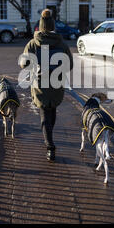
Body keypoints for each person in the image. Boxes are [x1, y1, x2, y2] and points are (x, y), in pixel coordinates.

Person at [20, 9, 73, 161]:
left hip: (39, 84)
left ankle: (50, 146)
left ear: (41, 26)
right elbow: (69, 64)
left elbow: (24, 63)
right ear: (52, 25)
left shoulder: (33, 43)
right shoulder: (61, 42)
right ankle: (49, 138)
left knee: (44, 115)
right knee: (52, 110)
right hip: (56, 84)